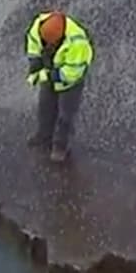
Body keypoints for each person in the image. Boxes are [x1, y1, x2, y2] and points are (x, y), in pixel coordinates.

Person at [25, 10, 93, 163]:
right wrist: (34, 66)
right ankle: (44, 135)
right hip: (52, 68)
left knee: (65, 115)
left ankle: (60, 146)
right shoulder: (38, 26)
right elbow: (33, 45)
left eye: (51, 44)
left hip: (71, 81)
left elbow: (71, 74)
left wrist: (47, 76)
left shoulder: (78, 42)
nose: (47, 46)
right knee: (45, 106)